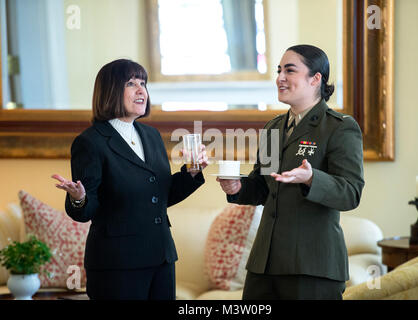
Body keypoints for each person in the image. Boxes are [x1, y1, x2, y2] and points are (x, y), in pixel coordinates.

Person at [52, 59, 208, 300]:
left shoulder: (152, 135)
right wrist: (79, 198)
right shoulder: (90, 142)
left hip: (162, 257)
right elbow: (85, 211)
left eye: (143, 83)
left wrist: (192, 172)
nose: (141, 90)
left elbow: (160, 196)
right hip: (117, 264)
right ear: (111, 91)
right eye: (130, 83)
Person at [217, 44, 364, 300]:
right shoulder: (273, 129)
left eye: (290, 70)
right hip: (264, 264)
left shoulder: (339, 127)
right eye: (278, 70)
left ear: (315, 79)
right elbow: (264, 187)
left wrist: (311, 178)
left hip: (312, 266)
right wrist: (239, 188)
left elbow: (350, 193)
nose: (280, 78)